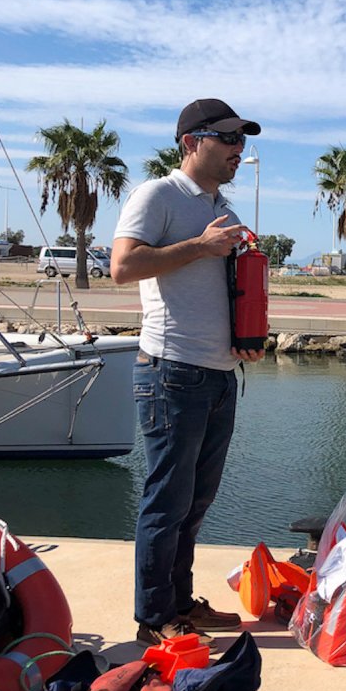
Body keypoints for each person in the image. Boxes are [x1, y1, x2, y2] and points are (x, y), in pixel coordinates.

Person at [111, 98, 265, 647]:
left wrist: (247, 340)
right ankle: (154, 617)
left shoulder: (226, 210)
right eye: (228, 139)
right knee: (167, 501)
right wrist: (200, 246)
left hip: (220, 374)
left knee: (196, 503)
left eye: (242, 141)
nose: (237, 149)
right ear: (191, 142)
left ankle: (180, 603)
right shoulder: (158, 195)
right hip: (172, 371)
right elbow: (122, 267)